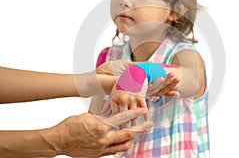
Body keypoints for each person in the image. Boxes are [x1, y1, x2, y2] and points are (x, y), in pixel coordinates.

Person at [89, 0, 210, 157]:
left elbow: (192, 81)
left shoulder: (182, 56)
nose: (124, 0)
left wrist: (139, 73)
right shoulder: (109, 58)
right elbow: (95, 124)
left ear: (176, 9)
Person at [0, 64, 155, 158]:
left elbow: (175, 75)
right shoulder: (110, 53)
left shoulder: (177, 52)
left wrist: (89, 83)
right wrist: (58, 140)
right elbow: (95, 111)